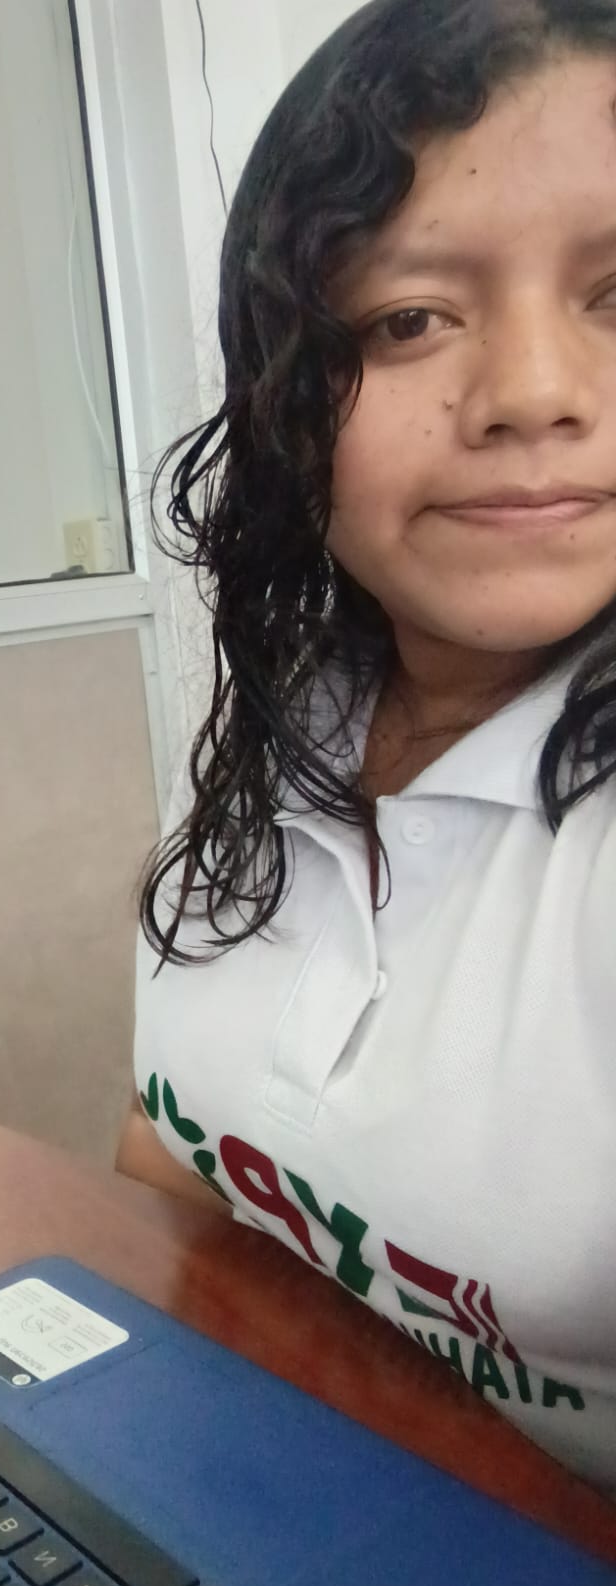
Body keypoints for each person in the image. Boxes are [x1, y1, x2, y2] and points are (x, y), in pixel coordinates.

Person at [115, 0, 616, 1496]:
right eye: (407, 319)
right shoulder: (291, 718)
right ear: (286, 395)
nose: (533, 394)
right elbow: (167, 1153)